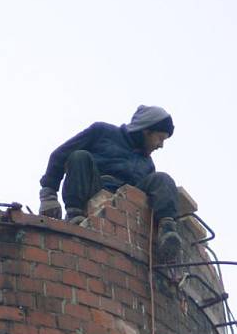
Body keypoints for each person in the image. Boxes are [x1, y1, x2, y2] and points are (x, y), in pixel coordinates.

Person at [38, 105, 182, 260]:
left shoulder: (147, 164)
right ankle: (75, 216)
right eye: (160, 138)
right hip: (93, 189)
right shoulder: (101, 132)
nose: (161, 145)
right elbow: (59, 155)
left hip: (124, 206)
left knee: (163, 179)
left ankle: (167, 231)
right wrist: (49, 195)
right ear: (146, 130)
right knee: (79, 157)